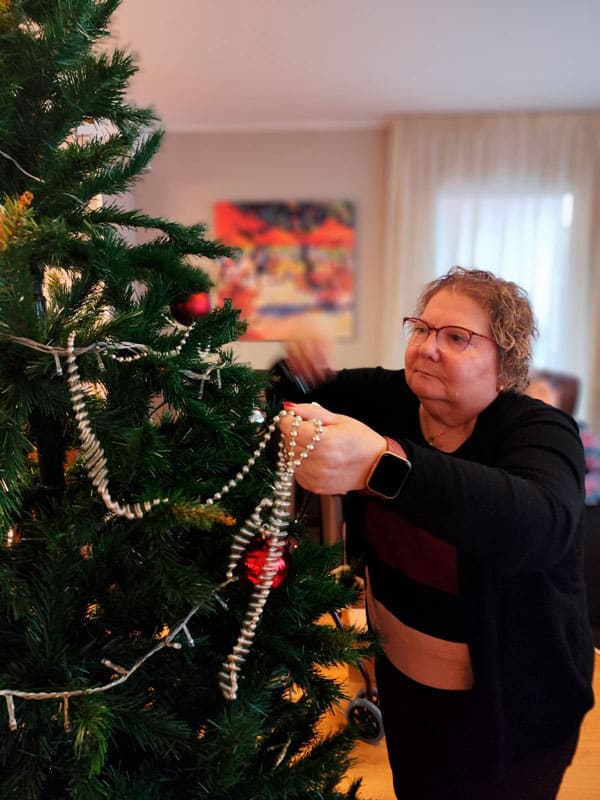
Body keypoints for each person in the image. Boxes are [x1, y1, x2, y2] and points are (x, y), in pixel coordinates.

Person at [271, 266, 595, 800]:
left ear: (504, 363)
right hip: (406, 694)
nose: (427, 347)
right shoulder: (392, 398)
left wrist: (384, 464)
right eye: (420, 328)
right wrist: (295, 368)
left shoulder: (538, 429)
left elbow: (541, 525)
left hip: (515, 716)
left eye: (456, 338)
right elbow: (294, 391)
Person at [525, 370, 600, 506]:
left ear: (561, 399)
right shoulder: (527, 433)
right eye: (530, 389)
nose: (533, 395)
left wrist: (575, 492)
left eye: (542, 391)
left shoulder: (581, 437)